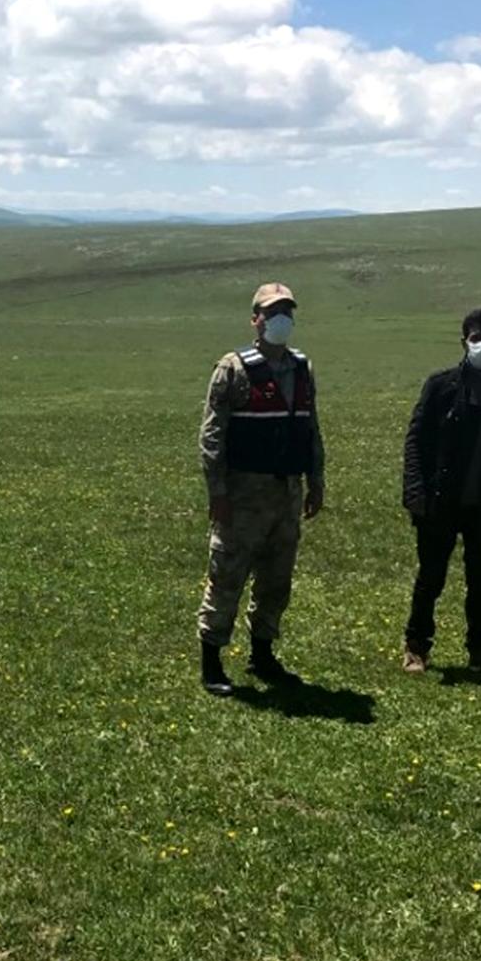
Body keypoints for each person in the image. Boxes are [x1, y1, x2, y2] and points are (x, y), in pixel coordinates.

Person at [197, 282, 325, 697]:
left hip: (286, 493)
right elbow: (212, 436)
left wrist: (316, 480)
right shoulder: (232, 369)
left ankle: (263, 653)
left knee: (276, 578)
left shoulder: (302, 368)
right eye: (272, 313)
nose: (281, 319)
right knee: (227, 576)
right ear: (256, 320)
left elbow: (310, 428)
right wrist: (217, 492)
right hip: (243, 495)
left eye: (287, 312)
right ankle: (212, 660)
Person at [401, 307, 481, 676]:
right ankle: (416, 646)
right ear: (464, 342)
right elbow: (415, 441)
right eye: (477, 338)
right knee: (431, 576)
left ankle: (479, 648)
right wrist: (415, 492)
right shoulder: (441, 386)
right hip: (440, 500)